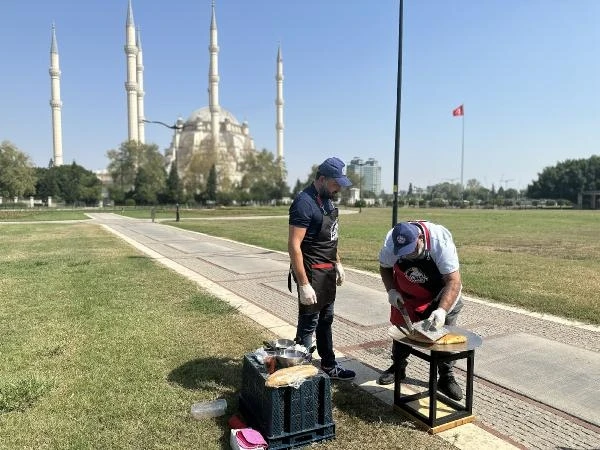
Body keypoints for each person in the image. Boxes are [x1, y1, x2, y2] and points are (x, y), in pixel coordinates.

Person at [377, 220, 464, 401]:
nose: (408, 257)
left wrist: (441, 311)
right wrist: (391, 290)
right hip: (408, 290)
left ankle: (446, 377)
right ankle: (398, 368)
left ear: (421, 239)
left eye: (412, 251)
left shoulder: (440, 240)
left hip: (441, 290)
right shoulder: (391, 241)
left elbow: (453, 281)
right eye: (403, 254)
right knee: (402, 331)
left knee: (442, 335)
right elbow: (385, 267)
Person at [287, 157, 355, 381]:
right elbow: (294, 245)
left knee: (326, 319)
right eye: (336, 184)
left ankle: (328, 364)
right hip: (311, 272)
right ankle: (300, 374)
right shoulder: (304, 202)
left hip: (327, 270)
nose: (338, 189)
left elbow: (330, 237)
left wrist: (338, 262)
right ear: (322, 179)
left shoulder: (328, 201)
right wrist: (304, 284)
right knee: (308, 324)